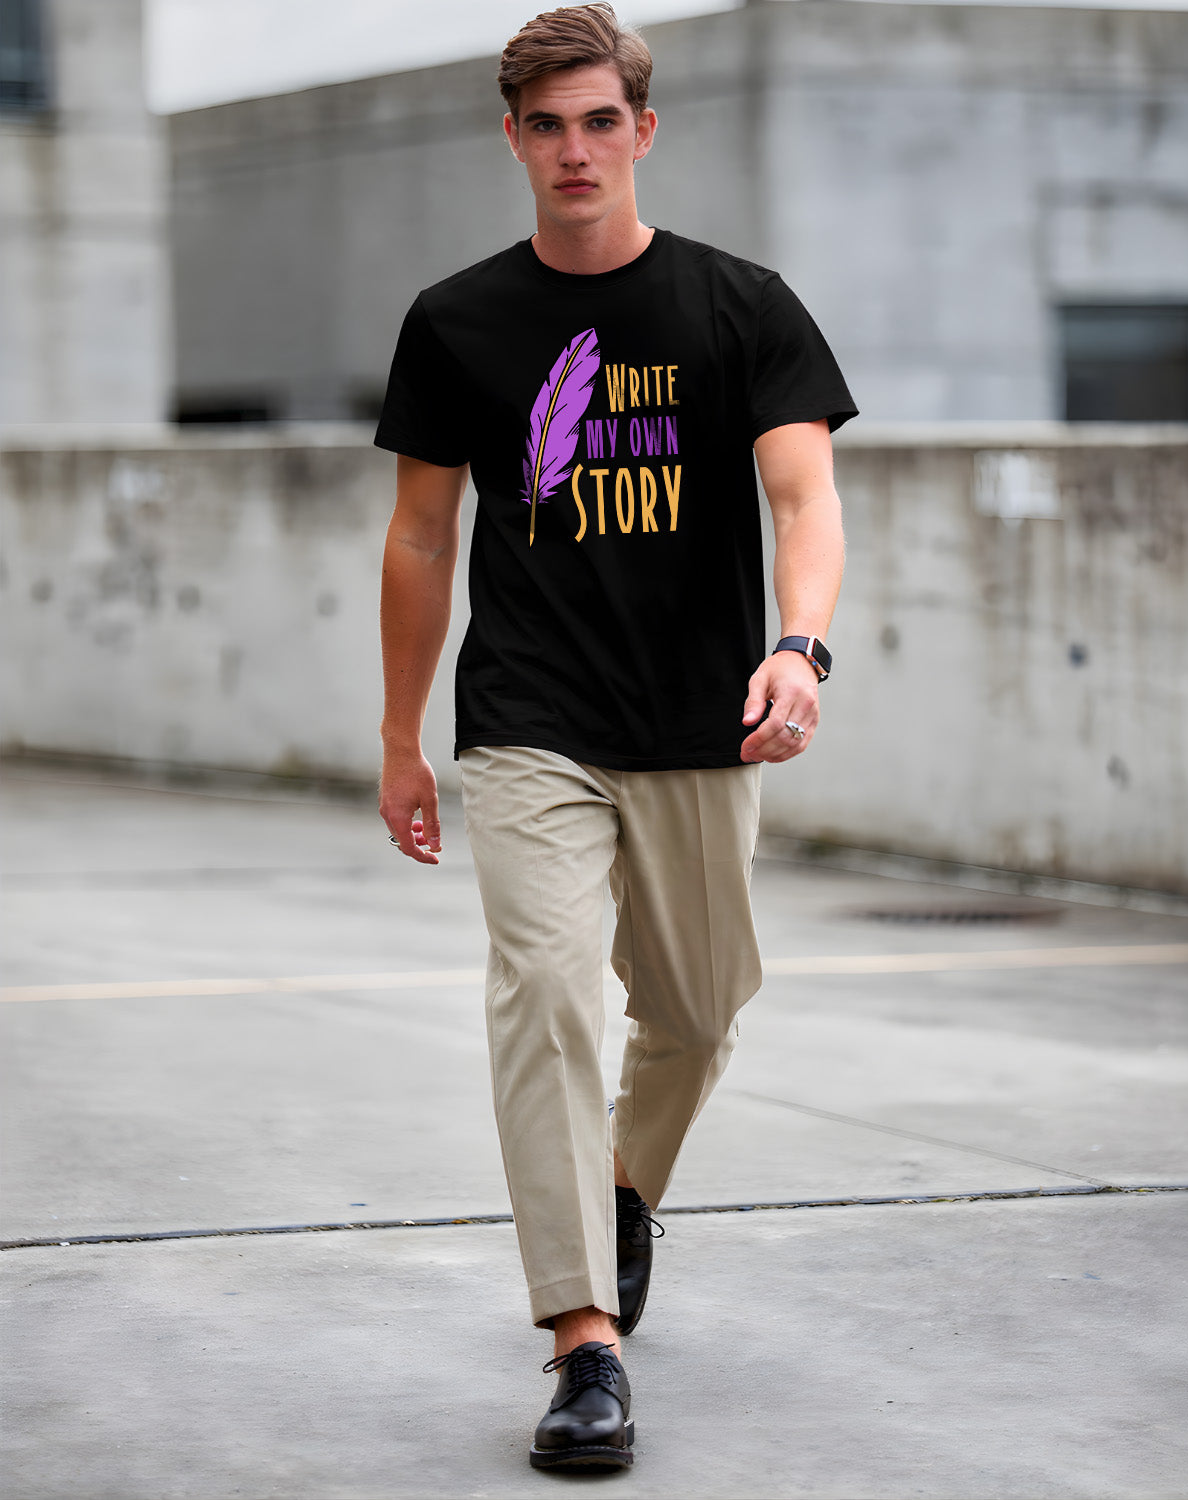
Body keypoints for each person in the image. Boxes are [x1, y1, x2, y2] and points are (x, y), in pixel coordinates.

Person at [374, 2, 856, 1471]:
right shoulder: (457, 320)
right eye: (546, 125)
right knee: (548, 996)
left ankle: (627, 1188)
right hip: (530, 722)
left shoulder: (741, 305)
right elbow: (418, 540)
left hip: (702, 719)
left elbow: (804, 499)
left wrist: (799, 643)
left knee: (702, 1009)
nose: (575, 150)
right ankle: (585, 1341)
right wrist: (402, 739)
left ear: (642, 131)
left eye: (600, 121)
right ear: (512, 138)